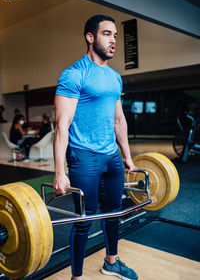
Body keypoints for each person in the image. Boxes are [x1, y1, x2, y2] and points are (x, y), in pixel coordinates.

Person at [53, 15, 138, 280]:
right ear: (90, 37)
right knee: (83, 221)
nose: (113, 40)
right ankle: (76, 277)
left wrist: (127, 157)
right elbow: (61, 125)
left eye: (115, 35)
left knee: (114, 214)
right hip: (84, 157)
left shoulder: (115, 78)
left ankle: (111, 262)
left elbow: (118, 119)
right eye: (107, 34)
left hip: (111, 156)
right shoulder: (74, 74)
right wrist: (59, 171)